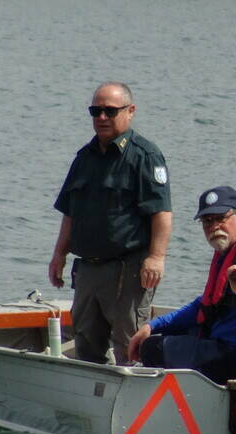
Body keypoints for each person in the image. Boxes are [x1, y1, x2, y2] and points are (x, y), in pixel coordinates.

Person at [48, 82, 172, 365]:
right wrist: (59, 255)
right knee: (86, 345)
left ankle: (136, 404)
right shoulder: (84, 158)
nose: (102, 117)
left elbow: (161, 213)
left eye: (110, 111)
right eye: (96, 111)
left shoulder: (145, 156)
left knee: (129, 345)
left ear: (130, 111)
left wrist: (156, 257)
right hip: (89, 269)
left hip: (127, 270)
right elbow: (69, 212)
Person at [127, 186, 236, 384]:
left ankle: (178, 406)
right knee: (165, 333)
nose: (214, 226)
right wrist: (152, 325)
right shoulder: (226, 249)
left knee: (152, 348)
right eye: (207, 221)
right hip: (230, 343)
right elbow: (207, 304)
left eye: (221, 218)